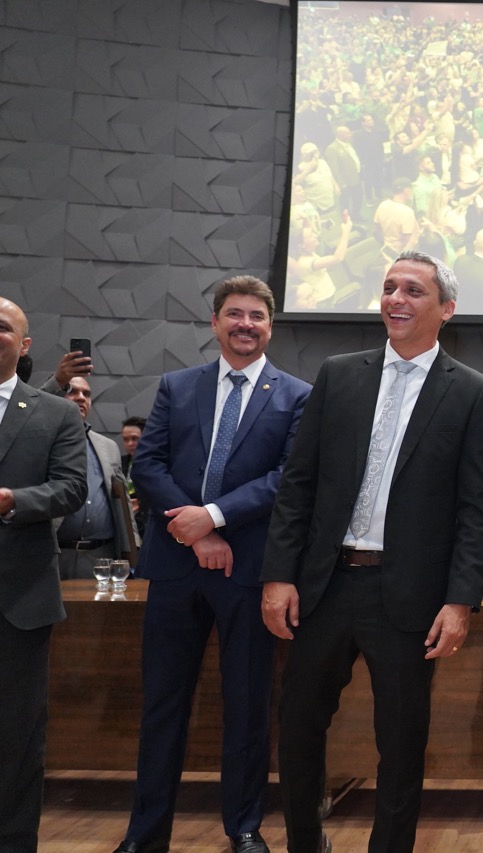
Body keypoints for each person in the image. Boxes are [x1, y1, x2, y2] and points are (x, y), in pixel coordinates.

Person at [262, 251, 483, 853]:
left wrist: (460, 602)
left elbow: (476, 510)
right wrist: (278, 575)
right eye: (390, 287)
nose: (396, 298)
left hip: (408, 595)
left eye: (413, 290)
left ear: (446, 309)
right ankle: (305, 843)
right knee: (298, 727)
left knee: (401, 740)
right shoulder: (339, 374)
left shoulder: (472, 393)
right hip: (325, 585)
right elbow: (299, 484)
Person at [112, 275, 311, 853]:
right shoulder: (178, 386)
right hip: (177, 566)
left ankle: (244, 828)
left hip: (248, 573)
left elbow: (288, 479)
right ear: (215, 323)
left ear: (271, 326)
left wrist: (216, 517)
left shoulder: (297, 395)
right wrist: (196, 532)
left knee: (247, 705)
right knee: (162, 705)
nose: (245, 324)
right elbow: (148, 464)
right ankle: (145, 834)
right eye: (234, 314)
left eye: (256, 316)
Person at [0, 297, 87, 852]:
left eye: (2, 327)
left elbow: (71, 488)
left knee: (16, 733)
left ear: (24, 345)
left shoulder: (55, 412)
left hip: (19, 601)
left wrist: (13, 500)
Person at [50, 376, 139, 578]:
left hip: (102, 556)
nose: (81, 397)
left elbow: (123, 503)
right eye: (72, 391)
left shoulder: (108, 446)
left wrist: (133, 549)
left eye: (87, 394)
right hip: (55, 553)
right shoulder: (42, 440)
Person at [121, 415, 147, 539]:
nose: (130, 444)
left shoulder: (157, 464)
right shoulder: (119, 462)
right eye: (126, 440)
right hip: (126, 523)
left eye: (135, 439)